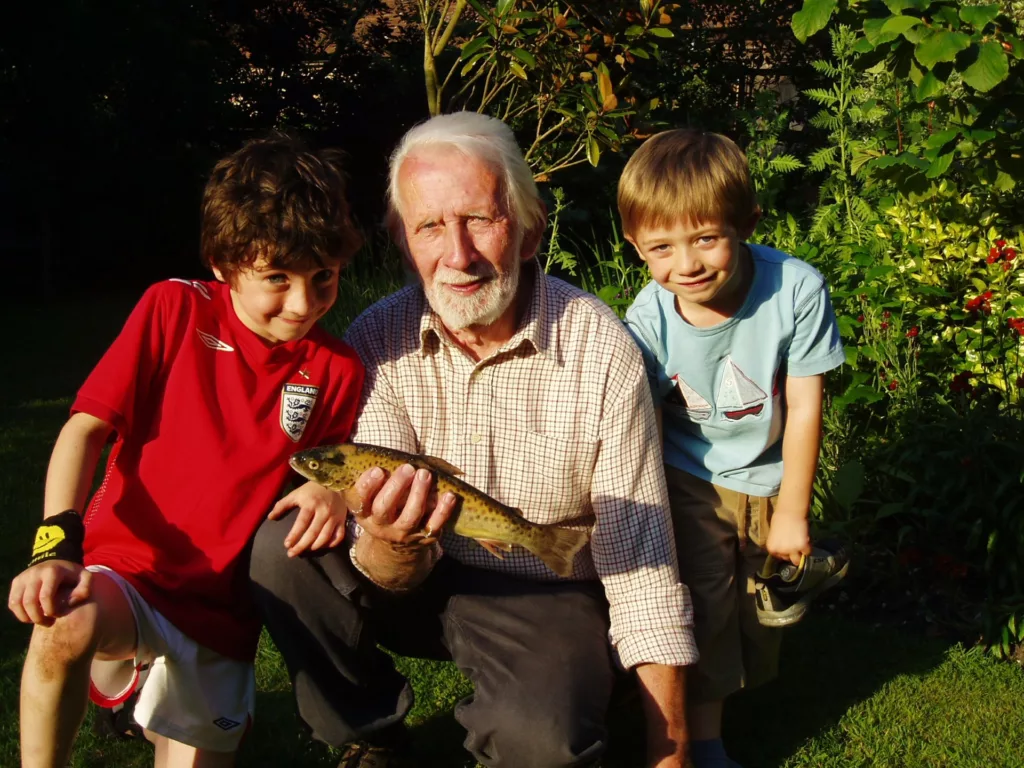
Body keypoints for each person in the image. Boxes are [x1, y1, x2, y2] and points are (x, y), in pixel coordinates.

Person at [249, 111, 698, 768]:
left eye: (479, 220)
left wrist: (674, 754)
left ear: (528, 231)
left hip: (541, 588)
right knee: (278, 552)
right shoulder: (376, 340)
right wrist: (392, 541)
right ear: (403, 243)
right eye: (430, 226)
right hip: (418, 576)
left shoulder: (603, 351)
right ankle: (368, 732)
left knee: (542, 746)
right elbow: (381, 564)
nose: (457, 256)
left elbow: (643, 559)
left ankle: (589, 682)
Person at [7, 133, 365, 768]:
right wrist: (53, 549)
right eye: (276, 278)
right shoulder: (172, 308)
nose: (303, 303)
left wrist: (332, 489)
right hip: (131, 572)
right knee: (66, 621)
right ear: (225, 266)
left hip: (222, 613)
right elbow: (83, 429)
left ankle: (141, 691)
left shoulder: (336, 368)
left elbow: (333, 468)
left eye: (323, 278)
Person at [620, 129, 849, 768]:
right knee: (706, 601)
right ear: (637, 247)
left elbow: (805, 405)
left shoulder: (795, 289)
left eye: (705, 238)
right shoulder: (649, 316)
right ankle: (704, 737)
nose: (686, 264)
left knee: (759, 599)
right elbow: (629, 408)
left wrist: (793, 513)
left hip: (770, 472)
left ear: (746, 224)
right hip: (685, 470)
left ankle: (726, 696)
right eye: (662, 247)